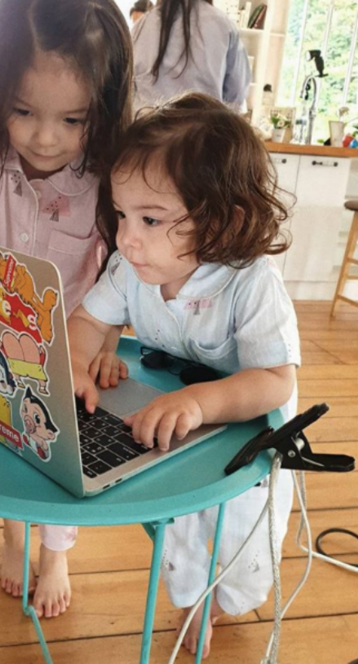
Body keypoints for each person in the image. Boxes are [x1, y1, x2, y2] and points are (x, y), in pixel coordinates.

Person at [0, 0, 132, 619]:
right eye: (23, 111)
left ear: (102, 109)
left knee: (62, 448)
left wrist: (108, 342)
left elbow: (120, 266)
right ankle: (13, 533)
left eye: (72, 119)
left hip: (71, 345)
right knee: (3, 439)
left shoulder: (109, 172)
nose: (45, 137)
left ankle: (56, 550)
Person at [68, 93, 300, 658]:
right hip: (170, 418)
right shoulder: (132, 266)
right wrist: (76, 363)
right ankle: (193, 601)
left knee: (241, 541)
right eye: (122, 215)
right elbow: (87, 321)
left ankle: (221, 601)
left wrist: (200, 402)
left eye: (150, 219)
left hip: (247, 432)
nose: (126, 237)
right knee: (184, 526)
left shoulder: (250, 282)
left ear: (222, 220)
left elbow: (275, 379)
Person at [131, 0, 251, 111]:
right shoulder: (223, 26)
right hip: (204, 124)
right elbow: (236, 95)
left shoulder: (142, 26)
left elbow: (129, 89)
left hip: (148, 124)